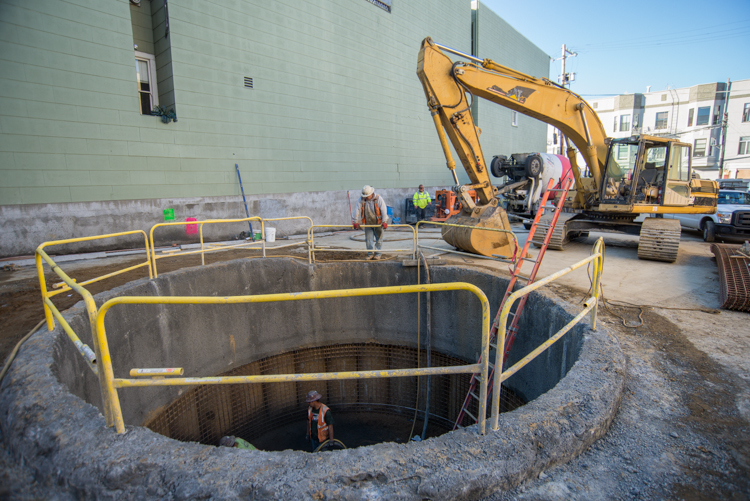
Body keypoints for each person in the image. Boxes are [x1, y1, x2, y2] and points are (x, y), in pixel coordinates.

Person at [353, 185, 389, 260]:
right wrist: (355, 221)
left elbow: (383, 210)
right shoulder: (361, 199)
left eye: (367, 196)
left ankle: (378, 254)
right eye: (364, 196)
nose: (365, 197)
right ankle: (370, 254)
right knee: (369, 240)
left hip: (378, 223)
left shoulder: (378, 199)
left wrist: (384, 221)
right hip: (368, 223)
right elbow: (357, 210)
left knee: (379, 239)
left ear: (371, 194)